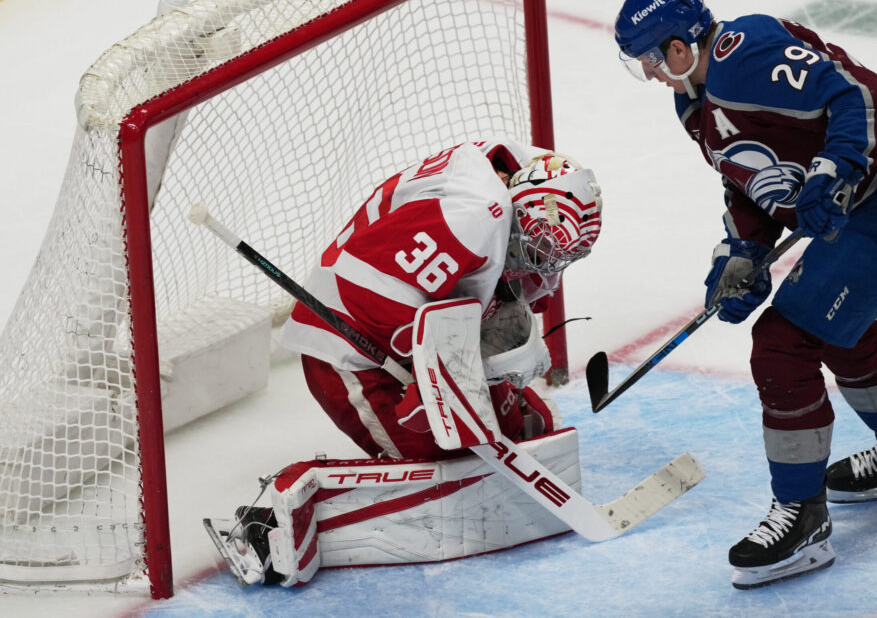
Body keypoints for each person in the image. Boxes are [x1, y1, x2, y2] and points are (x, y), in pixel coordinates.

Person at [614, 0, 877, 589]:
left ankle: (801, 518)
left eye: (649, 57)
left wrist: (834, 169)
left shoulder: (742, 51)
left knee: (783, 341)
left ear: (678, 46)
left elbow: (851, 98)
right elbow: (747, 172)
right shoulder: (694, 100)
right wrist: (742, 249)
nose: (647, 74)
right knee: (838, 327)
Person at [206, 139, 603, 586]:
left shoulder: (522, 174)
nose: (546, 272)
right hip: (350, 348)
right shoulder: (474, 218)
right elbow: (366, 283)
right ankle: (277, 518)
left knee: (513, 431)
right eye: (539, 249)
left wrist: (452, 372)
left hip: (411, 327)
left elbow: (464, 285)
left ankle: (492, 409)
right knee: (444, 454)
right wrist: (429, 379)